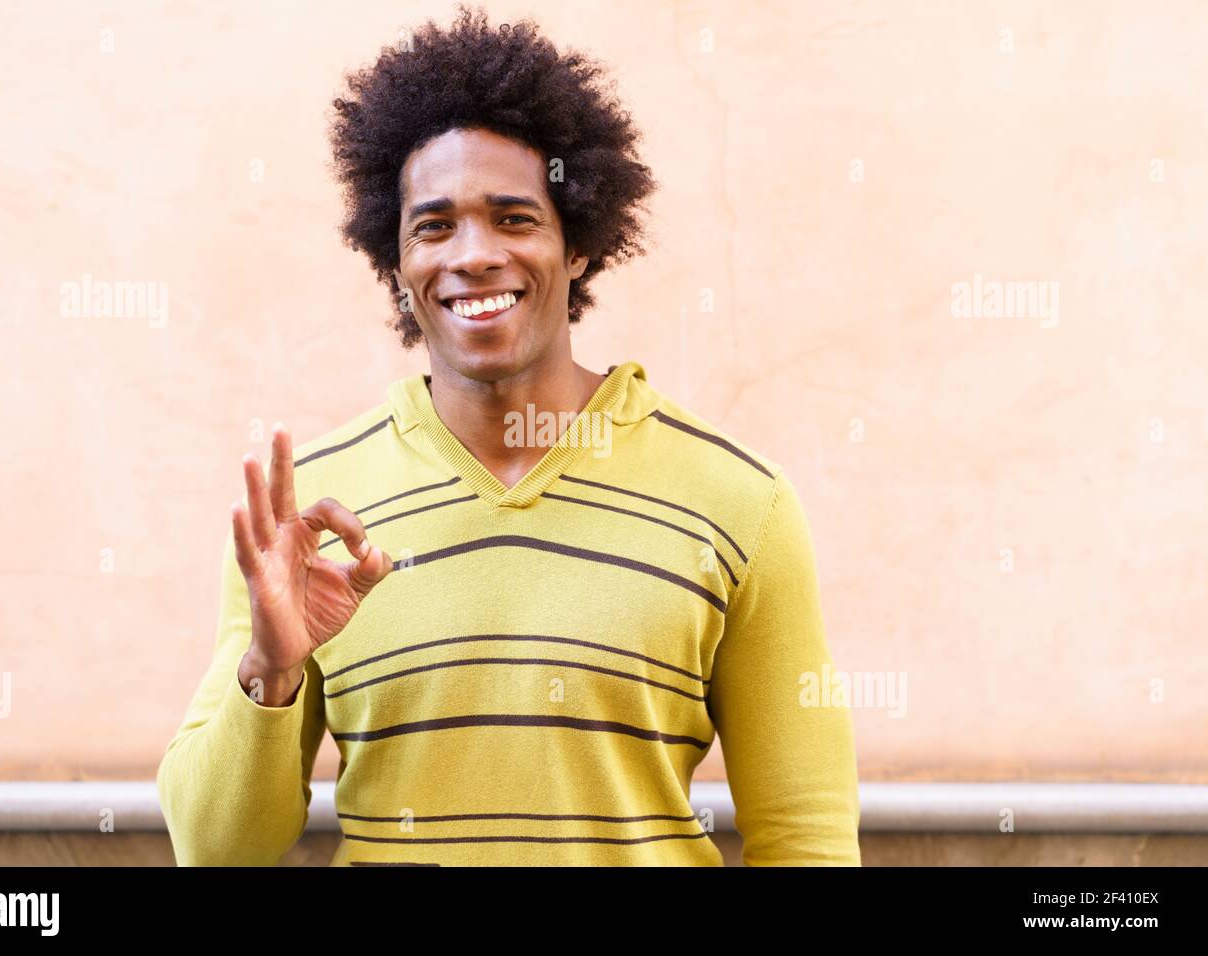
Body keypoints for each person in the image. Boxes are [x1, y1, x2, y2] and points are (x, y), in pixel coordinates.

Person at [156, 3, 861, 866]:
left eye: (515, 218)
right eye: (435, 225)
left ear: (579, 248)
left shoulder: (739, 502)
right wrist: (269, 672)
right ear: (399, 263)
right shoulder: (304, 518)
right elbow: (215, 852)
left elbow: (808, 840)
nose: (473, 254)